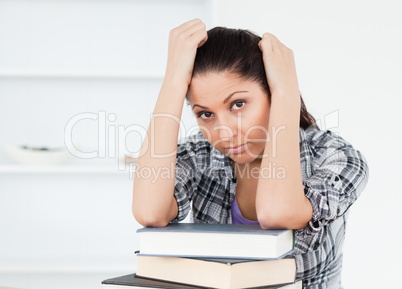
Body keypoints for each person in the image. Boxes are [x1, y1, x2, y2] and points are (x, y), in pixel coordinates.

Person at [132, 19, 369, 289]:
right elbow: (149, 212)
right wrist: (173, 82)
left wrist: (287, 92)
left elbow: (276, 213)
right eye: (205, 114)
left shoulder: (336, 158)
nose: (224, 131)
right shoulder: (200, 154)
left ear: (271, 91)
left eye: (238, 104)